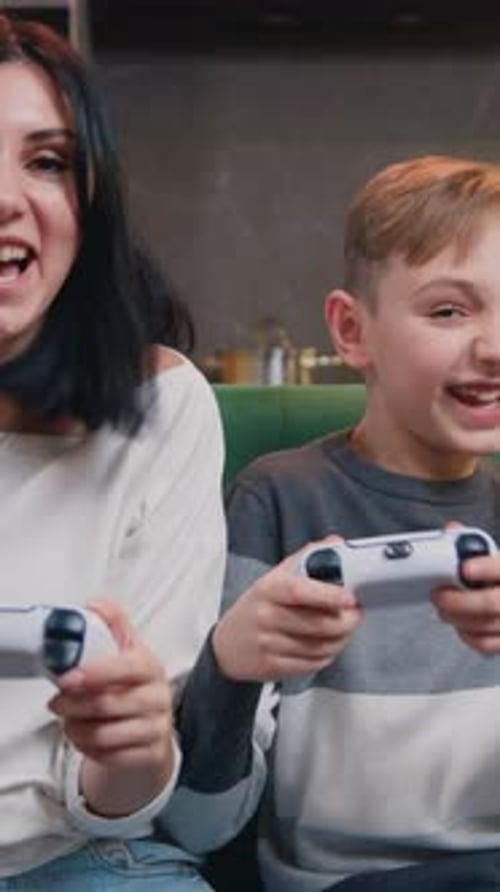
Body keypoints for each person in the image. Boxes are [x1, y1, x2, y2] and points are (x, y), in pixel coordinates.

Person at [160, 155, 500, 891]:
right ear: (353, 330)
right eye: (449, 310)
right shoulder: (279, 500)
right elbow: (196, 823)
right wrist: (230, 664)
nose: (494, 348)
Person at [0, 13, 225, 892]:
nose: (8, 197)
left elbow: (121, 800)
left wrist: (132, 745)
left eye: (47, 162)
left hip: (83, 859)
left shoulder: (161, 407)